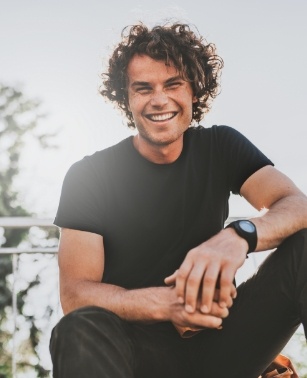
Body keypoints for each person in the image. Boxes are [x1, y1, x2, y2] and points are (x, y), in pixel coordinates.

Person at [50, 22, 307, 378]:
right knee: (79, 328)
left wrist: (239, 235)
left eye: (173, 84)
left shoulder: (221, 146)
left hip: (222, 344)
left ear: (194, 91)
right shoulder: (90, 175)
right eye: (143, 88)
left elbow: (297, 205)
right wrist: (168, 304)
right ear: (126, 98)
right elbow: (76, 294)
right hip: (137, 352)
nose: (159, 99)